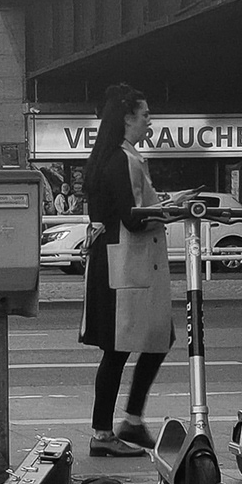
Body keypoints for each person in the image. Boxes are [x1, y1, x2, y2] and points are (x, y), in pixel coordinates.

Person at [77, 83, 174, 457]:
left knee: (156, 337)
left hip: (120, 261)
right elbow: (133, 219)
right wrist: (169, 210)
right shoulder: (123, 159)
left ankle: (130, 421)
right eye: (146, 114)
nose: (150, 121)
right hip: (122, 264)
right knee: (121, 348)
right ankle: (106, 432)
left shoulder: (118, 156)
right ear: (128, 118)